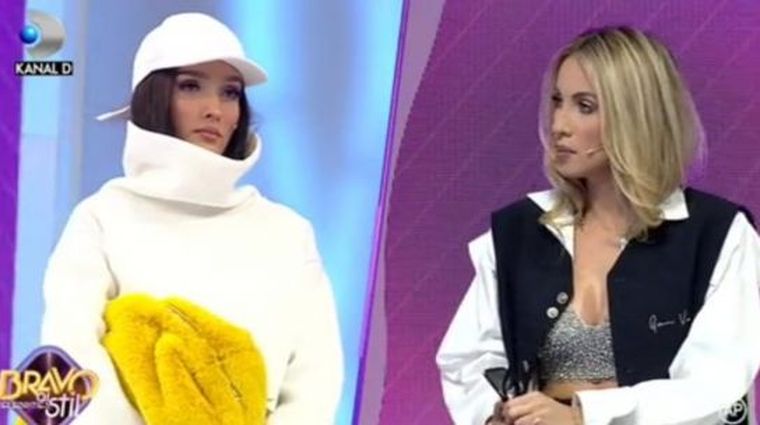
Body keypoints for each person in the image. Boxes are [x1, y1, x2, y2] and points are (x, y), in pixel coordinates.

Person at [436, 26, 760, 425]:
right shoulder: (518, 232)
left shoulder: (720, 234)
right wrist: (497, 414)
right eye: (557, 102)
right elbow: (468, 360)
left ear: (636, 115)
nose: (559, 125)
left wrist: (581, 417)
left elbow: (715, 383)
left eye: (585, 106)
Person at [40, 12, 343, 425]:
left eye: (230, 93)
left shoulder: (289, 234)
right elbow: (67, 357)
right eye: (191, 86)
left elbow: (316, 382)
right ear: (154, 97)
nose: (214, 109)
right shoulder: (101, 218)